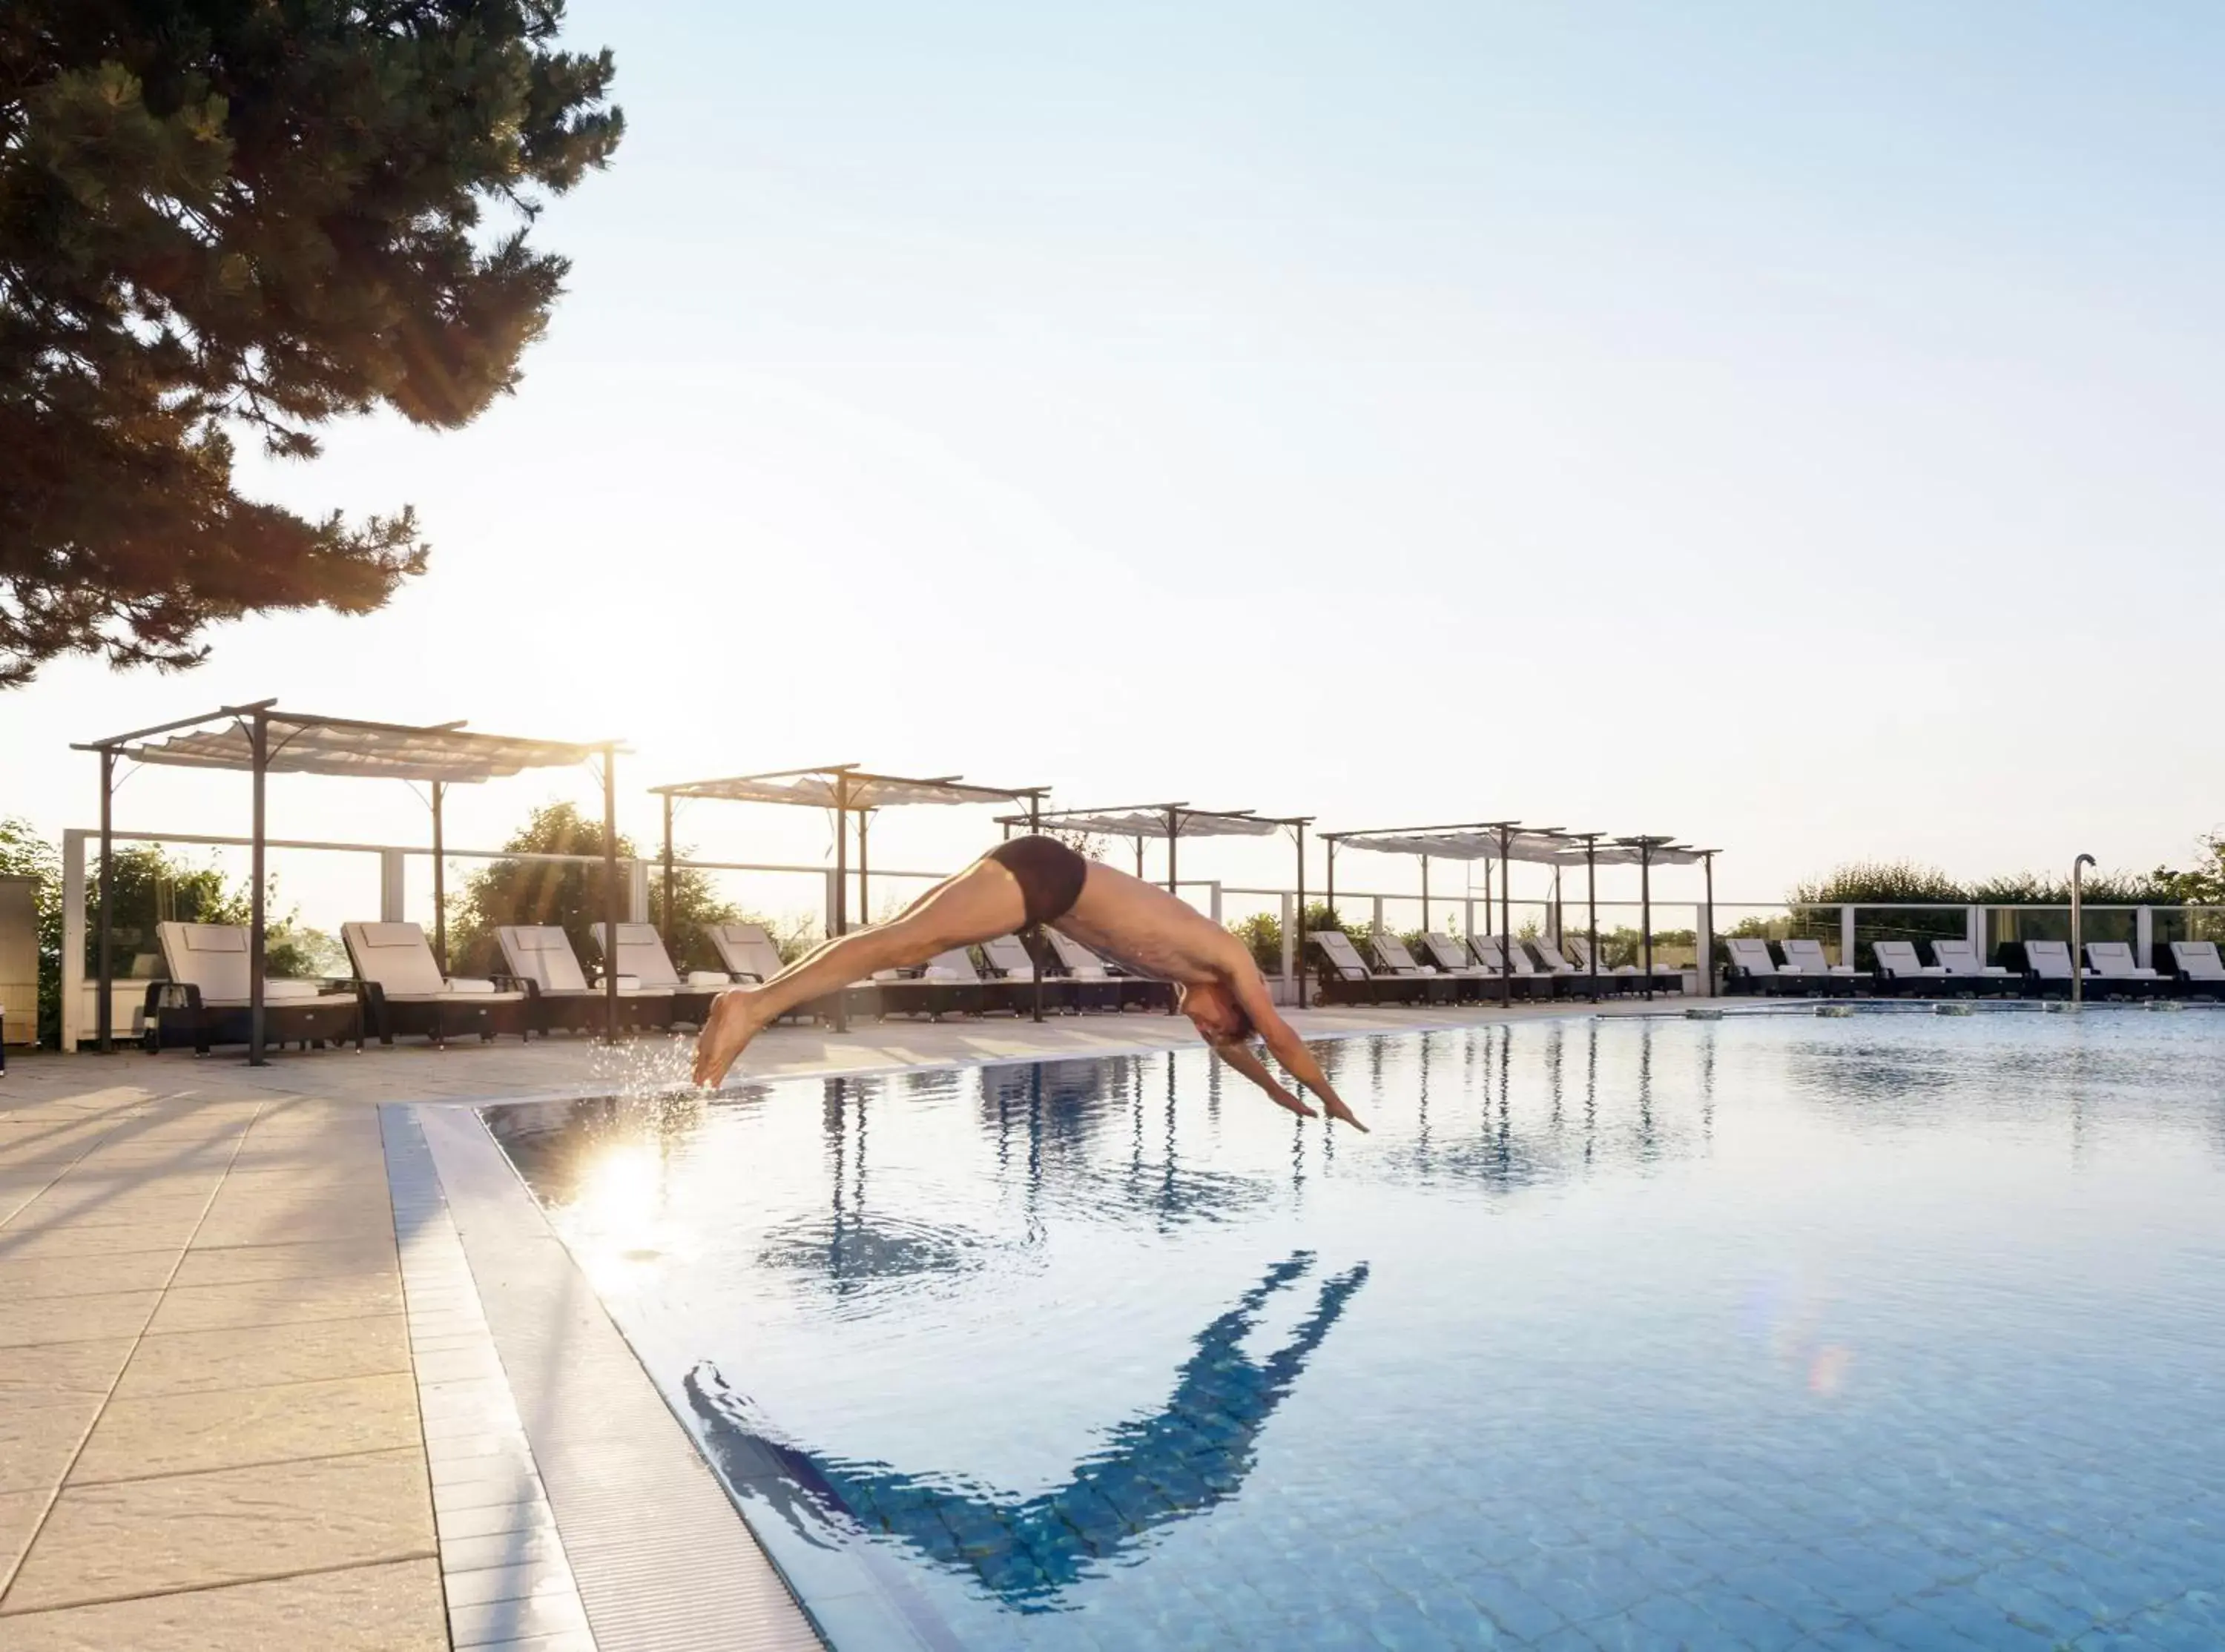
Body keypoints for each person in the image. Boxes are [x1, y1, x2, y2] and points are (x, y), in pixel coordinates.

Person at [691, 835, 1367, 1129]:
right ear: (1232, 1006)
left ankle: (755, 1000)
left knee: (893, 938)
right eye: (1216, 1025)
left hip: (1041, 878)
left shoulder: (1191, 979)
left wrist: (1278, 1097)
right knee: (903, 940)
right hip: (1051, 877)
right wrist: (1329, 1098)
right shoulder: (1232, 960)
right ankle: (756, 1006)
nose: (1206, 1030)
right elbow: (1277, 1036)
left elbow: (1240, 1051)